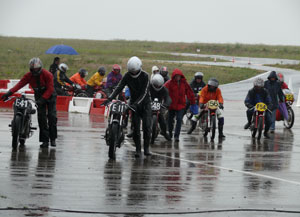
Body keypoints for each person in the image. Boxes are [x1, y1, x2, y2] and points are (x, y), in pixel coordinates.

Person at [1, 57, 57, 148]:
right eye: (33, 69)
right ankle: (45, 141)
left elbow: (50, 89)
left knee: (52, 117)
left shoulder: (48, 74)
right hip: (38, 95)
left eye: (37, 68)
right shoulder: (28, 76)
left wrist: (43, 99)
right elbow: (19, 84)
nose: (35, 70)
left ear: (40, 67)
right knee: (41, 118)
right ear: (30, 68)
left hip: (50, 95)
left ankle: (53, 138)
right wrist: (9, 93)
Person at [103, 56, 152, 158]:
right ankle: (138, 149)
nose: (133, 73)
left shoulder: (145, 76)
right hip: (133, 103)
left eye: (135, 71)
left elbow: (144, 93)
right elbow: (119, 87)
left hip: (145, 103)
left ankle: (146, 148)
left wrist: (135, 104)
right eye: (131, 72)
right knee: (136, 128)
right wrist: (110, 98)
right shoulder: (127, 76)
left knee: (147, 127)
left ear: (139, 68)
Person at [164, 68, 198, 142]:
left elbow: (190, 93)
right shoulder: (169, 83)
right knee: (170, 120)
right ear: (174, 76)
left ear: (181, 76)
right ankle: (170, 133)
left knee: (179, 119)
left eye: (179, 76)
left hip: (181, 105)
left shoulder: (184, 83)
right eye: (176, 76)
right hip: (172, 105)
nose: (177, 77)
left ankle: (176, 136)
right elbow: (163, 90)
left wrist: (193, 103)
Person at [149, 74, 172, 143]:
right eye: (156, 85)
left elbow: (168, 98)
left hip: (159, 105)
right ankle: (135, 130)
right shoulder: (148, 87)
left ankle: (164, 132)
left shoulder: (164, 89)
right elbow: (144, 95)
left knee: (162, 120)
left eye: (159, 85)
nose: (157, 86)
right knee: (141, 116)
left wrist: (166, 104)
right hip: (149, 103)